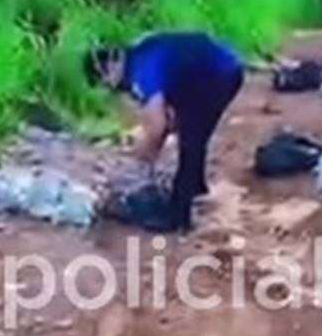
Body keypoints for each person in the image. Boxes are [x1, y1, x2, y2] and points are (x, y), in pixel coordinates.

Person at [85, 32, 245, 233]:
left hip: (218, 73)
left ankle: (179, 218)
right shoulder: (140, 55)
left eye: (105, 82)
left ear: (111, 66)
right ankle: (196, 186)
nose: (112, 89)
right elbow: (166, 116)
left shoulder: (141, 70)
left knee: (191, 140)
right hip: (216, 67)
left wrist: (144, 157)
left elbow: (158, 124)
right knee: (194, 133)